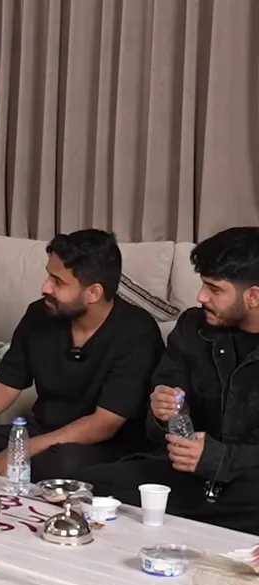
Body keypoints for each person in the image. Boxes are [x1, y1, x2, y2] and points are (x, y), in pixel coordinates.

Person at [81, 227, 259, 535]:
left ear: (253, 296)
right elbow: (159, 423)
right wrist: (163, 412)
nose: (201, 297)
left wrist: (220, 459)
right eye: (202, 284)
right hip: (188, 477)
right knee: (91, 486)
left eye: (214, 289)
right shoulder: (193, 328)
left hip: (249, 485)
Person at [0, 230, 164, 480]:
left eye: (58, 282)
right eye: (49, 275)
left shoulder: (136, 332)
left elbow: (105, 423)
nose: (45, 287)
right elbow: (6, 384)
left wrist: (25, 449)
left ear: (93, 293)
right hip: (41, 432)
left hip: (106, 446)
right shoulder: (39, 315)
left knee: (59, 465)